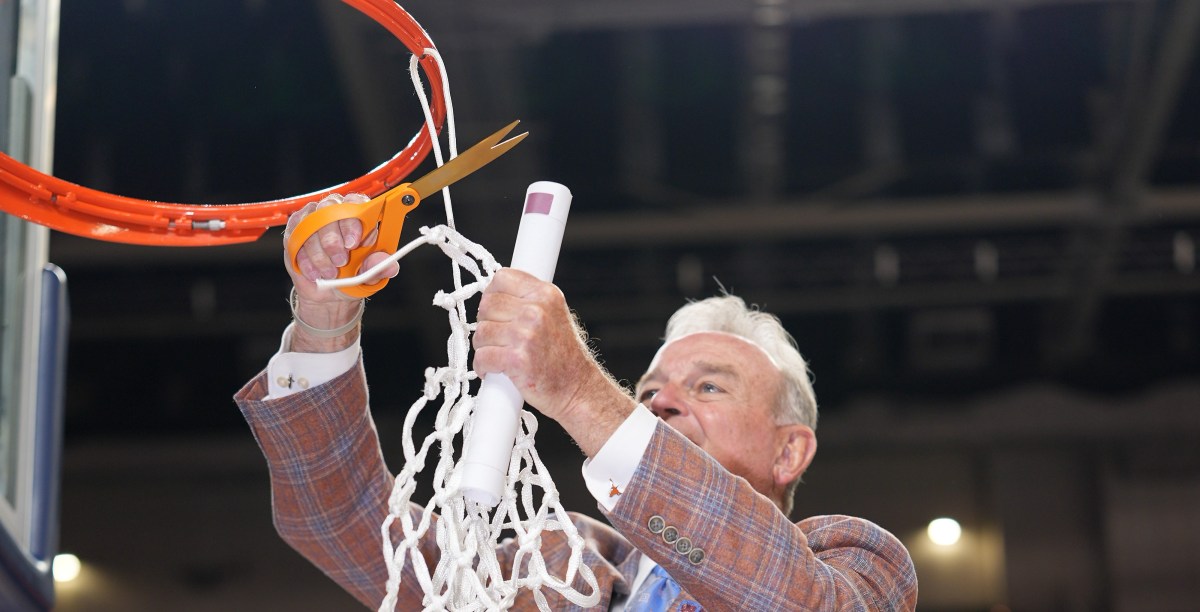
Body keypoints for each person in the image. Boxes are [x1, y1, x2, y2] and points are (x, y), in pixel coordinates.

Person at [234, 194, 919, 610]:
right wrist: (325, 314)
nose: (661, 403)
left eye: (708, 386)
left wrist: (580, 392)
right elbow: (340, 519)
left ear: (789, 448)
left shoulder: (859, 567)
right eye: (646, 392)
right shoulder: (555, 569)